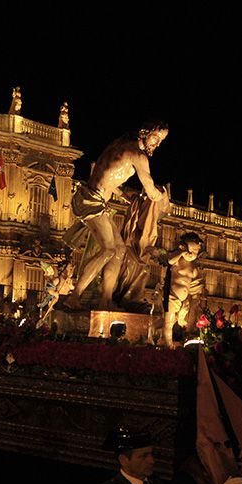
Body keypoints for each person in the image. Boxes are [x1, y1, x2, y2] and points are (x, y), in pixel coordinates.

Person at [64, 123, 169, 310]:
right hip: (91, 202)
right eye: (156, 138)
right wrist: (163, 197)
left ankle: (105, 300)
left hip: (94, 200)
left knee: (119, 250)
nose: (158, 144)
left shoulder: (121, 143)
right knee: (108, 250)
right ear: (144, 132)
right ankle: (74, 296)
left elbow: (108, 176)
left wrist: (123, 196)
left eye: (161, 141)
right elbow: (152, 192)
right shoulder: (139, 156)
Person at [163, 233, 204, 346]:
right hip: (172, 296)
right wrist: (180, 253)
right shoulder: (177, 261)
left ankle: (183, 341)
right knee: (169, 322)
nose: (191, 254)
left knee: (183, 322)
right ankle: (168, 345)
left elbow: (195, 283)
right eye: (188, 250)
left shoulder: (193, 267)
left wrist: (196, 295)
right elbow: (170, 260)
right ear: (182, 247)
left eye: (194, 252)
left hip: (184, 300)